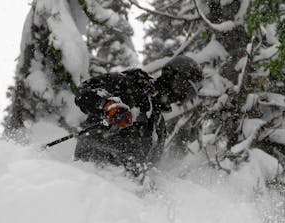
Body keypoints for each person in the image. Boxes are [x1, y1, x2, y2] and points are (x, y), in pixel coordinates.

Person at [73, 55, 203, 176]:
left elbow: (150, 167)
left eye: (189, 95)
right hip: (90, 168)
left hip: (121, 186)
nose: (181, 98)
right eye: (185, 90)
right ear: (174, 77)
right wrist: (107, 105)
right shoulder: (131, 83)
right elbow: (83, 91)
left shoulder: (159, 126)